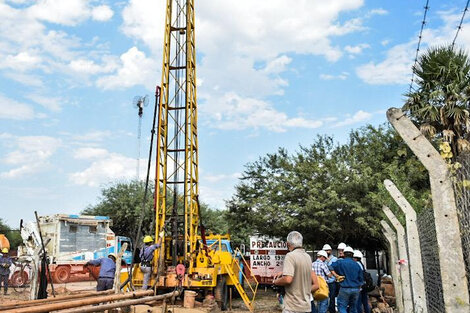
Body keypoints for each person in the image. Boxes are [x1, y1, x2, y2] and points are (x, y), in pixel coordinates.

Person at [274, 231, 319, 313]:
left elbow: (288, 279)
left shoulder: (290, 256)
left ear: (288, 244)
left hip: (293, 306)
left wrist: (276, 281)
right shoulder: (307, 257)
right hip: (306, 306)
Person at [331, 247, 364, 313]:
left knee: (342, 307)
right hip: (355, 289)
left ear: (344, 254)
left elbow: (330, 267)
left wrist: (336, 275)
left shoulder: (340, 262)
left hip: (344, 288)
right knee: (353, 308)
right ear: (352, 255)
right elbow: (361, 279)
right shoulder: (357, 265)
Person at [323, 244, 338, 313]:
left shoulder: (334, 259)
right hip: (324, 281)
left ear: (331, 251)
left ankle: (332, 310)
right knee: (324, 297)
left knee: (332, 297)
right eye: (325, 250)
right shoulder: (322, 259)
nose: (327, 251)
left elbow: (336, 269)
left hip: (332, 281)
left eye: (328, 250)